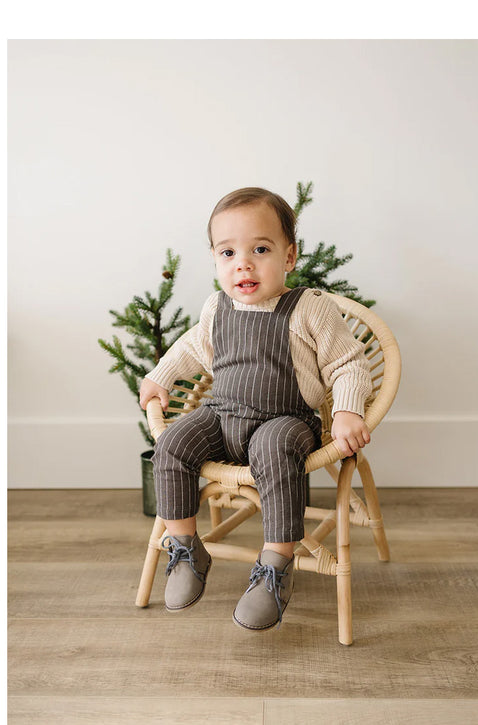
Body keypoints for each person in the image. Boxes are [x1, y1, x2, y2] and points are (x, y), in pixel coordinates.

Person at [139, 187, 372, 632]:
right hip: (221, 414)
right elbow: (192, 347)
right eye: (228, 253)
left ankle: (275, 567)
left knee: (274, 448)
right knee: (171, 445)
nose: (242, 264)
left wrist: (346, 410)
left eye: (260, 250)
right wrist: (161, 375)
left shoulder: (309, 308)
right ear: (214, 259)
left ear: (289, 256)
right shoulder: (217, 307)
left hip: (286, 420)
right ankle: (186, 548)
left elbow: (348, 363)